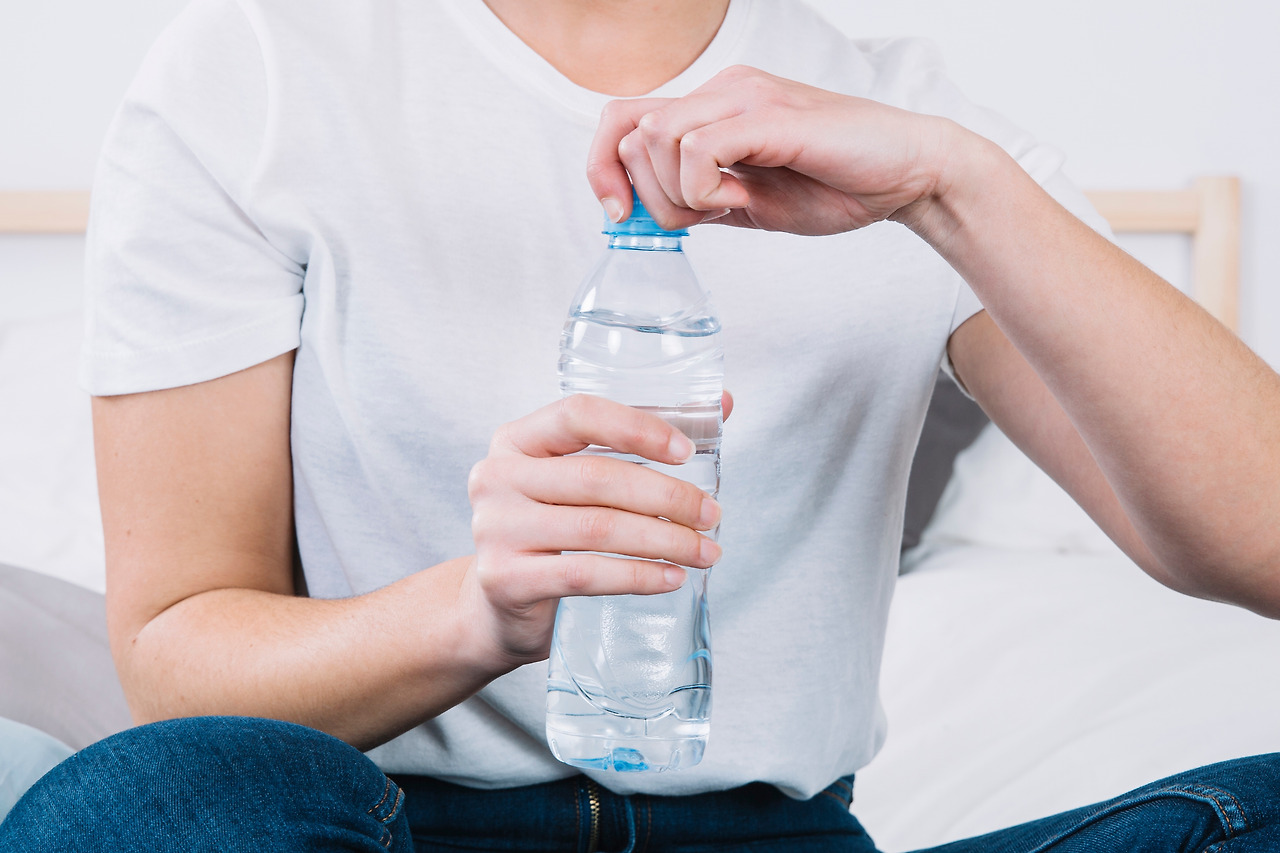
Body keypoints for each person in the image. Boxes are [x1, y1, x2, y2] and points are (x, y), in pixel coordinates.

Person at [2, 0, 1279, 850]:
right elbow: (176, 658)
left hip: (779, 832)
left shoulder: (903, 128)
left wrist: (955, 190)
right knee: (143, 805)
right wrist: (478, 611)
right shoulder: (262, 71)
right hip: (379, 823)